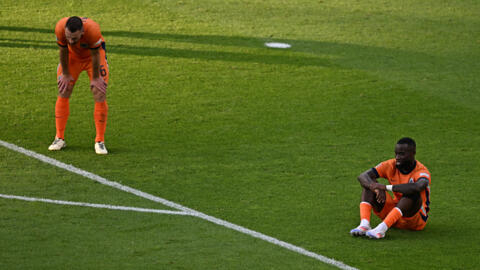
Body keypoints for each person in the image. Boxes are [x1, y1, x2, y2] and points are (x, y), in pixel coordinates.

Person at [48, 16, 109, 154]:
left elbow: (95, 55)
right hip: (72, 57)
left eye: (74, 39)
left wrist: (95, 78)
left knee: (98, 91)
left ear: (82, 32)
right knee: (64, 88)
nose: (70, 41)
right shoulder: (60, 28)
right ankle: (59, 138)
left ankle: (100, 141)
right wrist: (65, 73)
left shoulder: (93, 30)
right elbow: (63, 49)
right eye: (68, 37)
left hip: (92, 57)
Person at [350, 137, 431, 239]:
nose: (397, 157)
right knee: (370, 183)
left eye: (401, 154)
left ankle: (381, 229)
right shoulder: (390, 165)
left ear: (413, 153)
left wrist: (384, 187)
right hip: (393, 214)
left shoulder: (421, 171)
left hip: (413, 220)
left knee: (412, 192)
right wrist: (375, 188)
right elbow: (362, 176)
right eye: (396, 153)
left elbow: (418, 186)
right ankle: (364, 224)